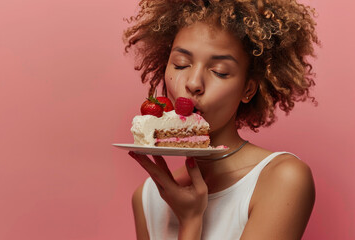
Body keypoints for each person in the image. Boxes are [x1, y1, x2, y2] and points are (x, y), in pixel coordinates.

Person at [123, 0, 319, 239]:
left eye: (219, 71)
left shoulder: (283, 179)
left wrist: (191, 221)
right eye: (180, 64)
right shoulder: (148, 198)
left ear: (248, 89)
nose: (193, 83)